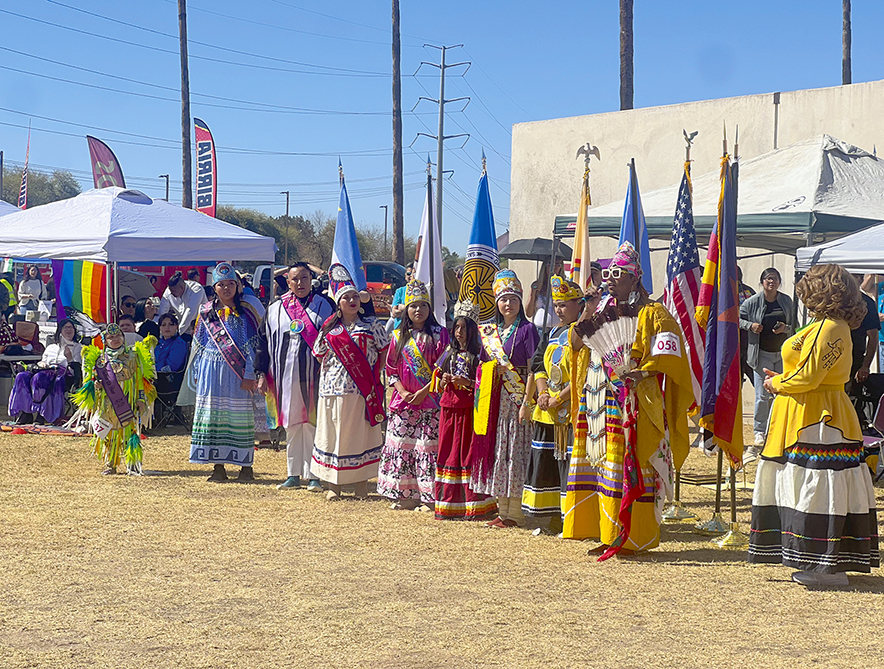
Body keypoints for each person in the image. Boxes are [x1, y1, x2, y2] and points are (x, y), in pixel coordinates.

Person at [749, 264, 879, 587]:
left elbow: (810, 375)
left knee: (820, 487)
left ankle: (827, 566)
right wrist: (781, 382)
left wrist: (779, 383)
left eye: (809, 285)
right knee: (807, 484)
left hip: (821, 419)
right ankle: (815, 560)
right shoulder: (824, 325)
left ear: (823, 290)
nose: (802, 290)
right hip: (806, 415)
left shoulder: (833, 327)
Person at [571, 241, 693, 558]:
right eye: (608, 273)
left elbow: (671, 353)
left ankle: (635, 537)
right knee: (604, 466)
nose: (610, 278)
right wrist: (587, 308)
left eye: (617, 273)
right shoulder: (601, 311)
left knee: (631, 466)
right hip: (599, 401)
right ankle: (610, 533)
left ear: (634, 278)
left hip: (635, 403)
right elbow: (575, 343)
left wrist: (642, 372)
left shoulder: (654, 313)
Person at [311, 269, 390, 501]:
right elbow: (318, 352)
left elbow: (384, 352)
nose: (352, 301)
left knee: (360, 435)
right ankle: (333, 485)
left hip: (361, 390)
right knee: (333, 434)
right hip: (332, 389)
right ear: (338, 302)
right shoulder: (329, 328)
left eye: (355, 297)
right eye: (346, 297)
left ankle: (361, 484)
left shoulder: (372, 324)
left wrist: (374, 376)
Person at [255, 262, 334, 492]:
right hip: (284, 377)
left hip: (315, 376)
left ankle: (314, 475)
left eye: (305, 278)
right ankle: (293, 474)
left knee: (312, 424)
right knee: (291, 425)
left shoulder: (324, 306)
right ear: (287, 282)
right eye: (295, 279)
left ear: (312, 280)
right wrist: (261, 373)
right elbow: (263, 343)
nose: (300, 283)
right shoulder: (275, 308)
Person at [471, 269, 540, 528]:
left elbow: (535, 368)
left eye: (512, 299)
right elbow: (480, 367)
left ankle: (517, 512)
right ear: (496, 303)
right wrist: (491, 370)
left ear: (520, 301)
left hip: (519, 397)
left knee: (517, 451)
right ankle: (502, 510)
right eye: (503, 299)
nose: (507, 304)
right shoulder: (490, 332)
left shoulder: (528, 330)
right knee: (501, 450)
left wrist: (526, 401)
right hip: (497, 400)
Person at [377, 280, 448, 510]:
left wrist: (423, 392)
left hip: (431, 401)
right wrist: (403, 391)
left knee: (426, 448)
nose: (419, 310)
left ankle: (428, 497)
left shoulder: (440, 335)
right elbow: (391, 369)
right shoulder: (398, 336)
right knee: (402, 447)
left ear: (430, 309)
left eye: (423, 306)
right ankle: (404, 495)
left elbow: (442, 367)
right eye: (413, 306)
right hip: (403, 402)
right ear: (406, 309)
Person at [187, 263, 261, 482]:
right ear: (214, 288)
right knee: (214, 416)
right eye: (222, 285)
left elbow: (253, 344)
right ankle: (217, 467)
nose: (227, 289)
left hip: (237, 373)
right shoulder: (206, 312)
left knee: (239, 416)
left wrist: (250, 373)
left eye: (231, 284)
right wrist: (198, 371)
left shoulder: (247, 311)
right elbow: (198, 344)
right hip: (211, 371)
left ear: (238, 286)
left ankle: (245, 467)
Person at [521, 275, 583, 531]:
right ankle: (549, 517)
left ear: (579, 304)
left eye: (565, 304)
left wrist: (559, 398)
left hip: (571, 410)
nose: (559, 309)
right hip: (548, 410)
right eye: (556, 305)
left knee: (568, 463)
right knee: (548, 461)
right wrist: (543, 392)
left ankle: (572, 517)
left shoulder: (583, 333)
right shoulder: (553, 332)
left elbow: (583, 372)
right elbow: (537, 364)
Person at [434, 300, 498, 520]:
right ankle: (449, 503)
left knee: (468, 453)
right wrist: (443, 380)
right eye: (457, 328)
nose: (459, 332)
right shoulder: (448, 352)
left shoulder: (481, 354)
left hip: (470, 410)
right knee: (449, 451)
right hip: (449, 408)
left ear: (472, 330)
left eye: (464, 328)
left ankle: (473, 504)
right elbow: (436, 384)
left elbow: (487, 386)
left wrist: (468, 382)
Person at [71, 323, 157, 475]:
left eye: (119, 336)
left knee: (130, 433)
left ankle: (133, 463)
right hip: (107, 404)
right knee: (109, 434)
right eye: (111, 337)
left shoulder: (133, 356)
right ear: (105, 341)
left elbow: (139, 381)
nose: (115, 339)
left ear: (124, 338)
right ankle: (111, 464)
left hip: (128, 401)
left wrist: (140, 399)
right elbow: (93, 381)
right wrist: (96, 385)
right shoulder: (100, 360)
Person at [739, 268, 795, 459]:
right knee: (762, 395)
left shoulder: (786, 301)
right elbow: (736, 318)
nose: (771, 282)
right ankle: (759, 431)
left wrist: (785, 329)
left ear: (779, 282)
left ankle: (778, 428)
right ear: (762, 282)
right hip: (760, 354)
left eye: (775, 278)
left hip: (782, 355)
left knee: (780, 394)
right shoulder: (752, 302)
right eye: (768, 279)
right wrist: (750, 326)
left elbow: (795, 326)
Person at [8, 319, 83, 424]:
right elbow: (43, 360)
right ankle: (25, 413)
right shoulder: (51, 347)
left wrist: (69, 358)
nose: (69, 330)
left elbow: (77, 368)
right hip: (45, 370)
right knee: (22, 376)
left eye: (71, 327)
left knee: (40, 378)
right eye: (66, 327)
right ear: (60, 330)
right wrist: (42, 363)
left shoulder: (78, 347)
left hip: (64, 374)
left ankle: (42, 414)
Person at [847, 274, 880, 424]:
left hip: (855, 360)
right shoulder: (836, 300)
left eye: (854, 278)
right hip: (832, 359)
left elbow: (873, 338)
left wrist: (865, 366)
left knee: (852, 402)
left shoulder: (867, 303)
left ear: (860, 280)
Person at [158, 271, 207, 336]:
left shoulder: (196, 289)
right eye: (170, 291)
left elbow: (190, 312)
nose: (171, 293)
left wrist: (177, 333)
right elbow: (162, 312)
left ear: (181, 287)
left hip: (201, 328)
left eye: (174, 291)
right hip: (182, 329)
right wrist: (160, 332)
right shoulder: (169, 291)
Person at [525, 259, 564, 330]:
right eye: (550, 264)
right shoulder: (537, 285)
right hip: (539, 329)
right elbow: (529, 313)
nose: (554, 267)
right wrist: (532, 293)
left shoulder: (564, 287)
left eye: (557, 265)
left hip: (557, 330)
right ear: (545, 267)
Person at [737, 266, 756, 385]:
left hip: (749, 343)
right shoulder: (723, 292)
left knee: (757, 379)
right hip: (732, 344)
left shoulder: (748, 291)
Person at [388, 262, 415, 331]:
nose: (411, 276)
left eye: (413, 273)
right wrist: (413, 309)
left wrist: (403, 307)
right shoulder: (400, 291)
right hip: (400, 329)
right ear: (405, 276)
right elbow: (395, 313)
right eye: (408, 274)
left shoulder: (422, 291)